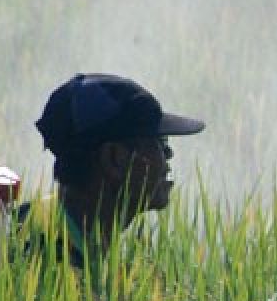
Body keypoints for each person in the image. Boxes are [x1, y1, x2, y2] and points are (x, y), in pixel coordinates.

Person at [23, 73, 205, 270]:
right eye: (160, 143)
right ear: (114, 158)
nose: (169, 154)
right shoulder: (52, 266)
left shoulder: (42, 217)